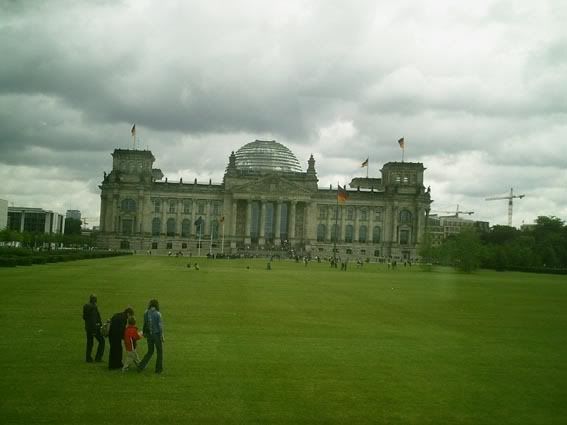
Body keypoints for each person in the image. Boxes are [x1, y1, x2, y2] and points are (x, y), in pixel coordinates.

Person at [138, 299, 164, 374]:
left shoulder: (146, 313)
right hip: (156, 335)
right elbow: (160, 326)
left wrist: (144, 333)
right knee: (159, 352)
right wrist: (162, 336)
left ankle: (141, 366)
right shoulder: (158, 314)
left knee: (150, 351)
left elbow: (145, 324)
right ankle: (158, 370)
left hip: (149, 335)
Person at [82, 294, 105, 363]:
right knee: (102, 341)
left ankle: (88, 358)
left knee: (90, 343)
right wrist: (96, 329)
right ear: (95, 300)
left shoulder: (86, 307)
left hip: (88, 328)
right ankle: (98, 358)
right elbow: (94, 319)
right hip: (94, 328)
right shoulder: (94, 308)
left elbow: (84, 317)